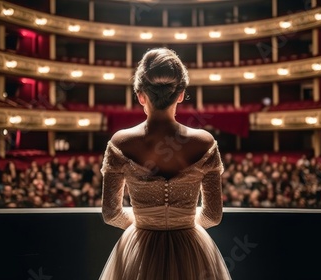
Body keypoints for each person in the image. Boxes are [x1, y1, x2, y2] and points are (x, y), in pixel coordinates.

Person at [99, 48, 231, 280]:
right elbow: (212, 215)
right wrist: (183, 220)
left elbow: (111, 214)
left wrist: (146, 220)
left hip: (139, 247)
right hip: (191, 247)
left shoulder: (121, 142)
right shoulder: (205, 142)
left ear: (141, 95)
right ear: (180, 94)